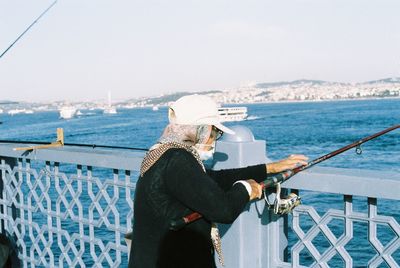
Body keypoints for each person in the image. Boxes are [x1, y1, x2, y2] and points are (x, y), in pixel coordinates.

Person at [128, 94, 308, 268]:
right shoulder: (178, 159)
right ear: (201, 129)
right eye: (216, 132)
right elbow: (223, 210)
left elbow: (212, 180)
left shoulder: (162, 153)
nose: (214, 139)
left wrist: (269, 168)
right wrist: (245, 189)